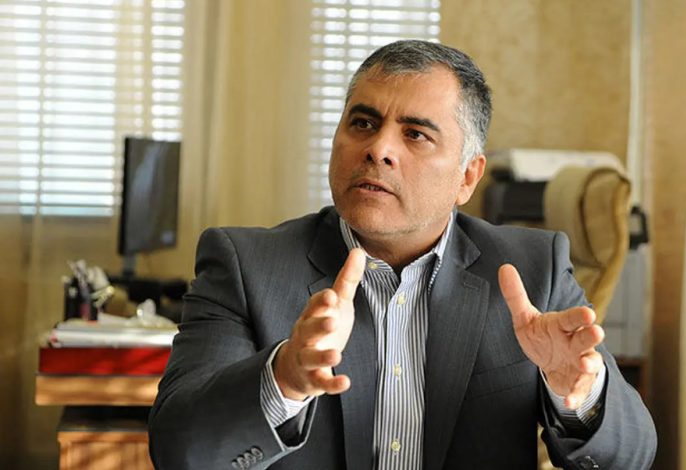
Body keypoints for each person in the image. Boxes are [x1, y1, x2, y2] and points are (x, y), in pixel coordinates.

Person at [148, 40, 656, 470]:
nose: (379, 149)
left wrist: (577, 394)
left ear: (467, 177)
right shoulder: (245, 264)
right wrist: (282, 380)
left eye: (415, 134)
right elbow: (178, 452)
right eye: (363, 123)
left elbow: (632, 456)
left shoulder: (533, 270)